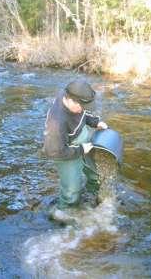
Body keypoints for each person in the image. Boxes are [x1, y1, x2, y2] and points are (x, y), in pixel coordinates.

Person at [43, 78, 108, 221]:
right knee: (72, 189)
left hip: (81, 142)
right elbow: (54, 151)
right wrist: (80, 150)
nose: (84, 109)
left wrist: (95, 122)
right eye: (82, 106)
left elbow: (83, 113)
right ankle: (63, 212)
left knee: (94, 172)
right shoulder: (56, 123)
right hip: (64, 151)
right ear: (71, 101)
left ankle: (94, 196)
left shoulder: (72, 97)